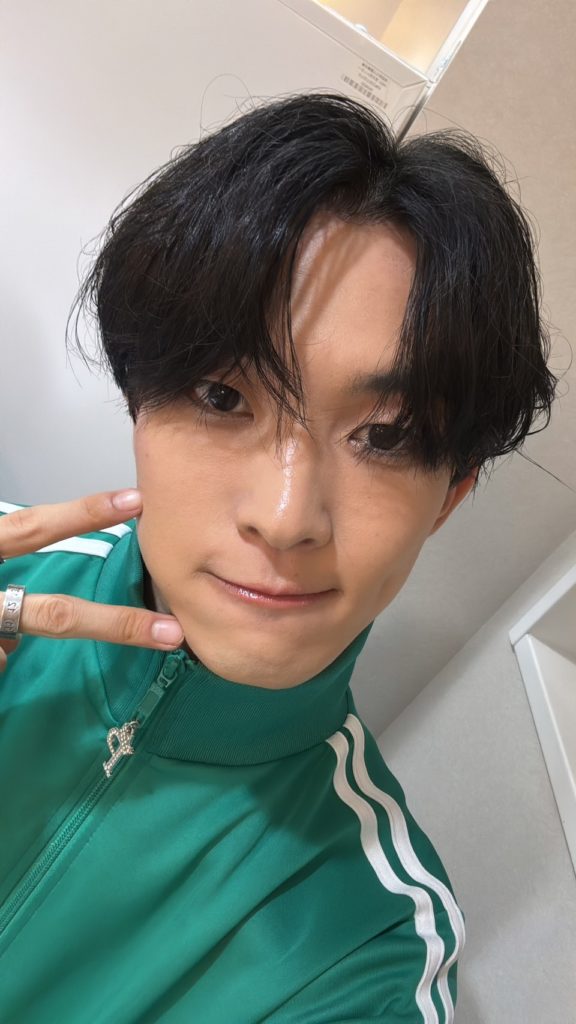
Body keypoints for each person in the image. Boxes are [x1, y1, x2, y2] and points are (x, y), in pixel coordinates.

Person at [0, 92, 556, 1022]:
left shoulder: (368, 952)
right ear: (139, 405)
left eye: (386, 437)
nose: (287, 517)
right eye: (224, 397)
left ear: (449, 500)